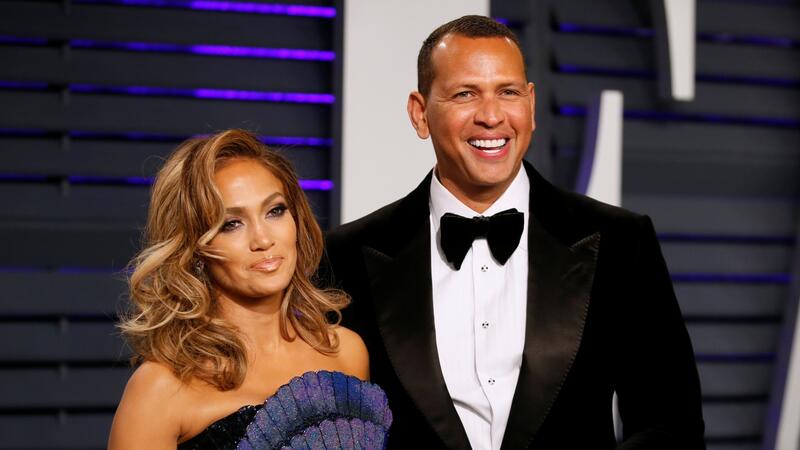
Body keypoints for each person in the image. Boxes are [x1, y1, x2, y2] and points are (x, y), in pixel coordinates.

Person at [323, 15, 705, 449]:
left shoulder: (622, 241)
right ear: (419, 112)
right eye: (465, 94)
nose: (491, 116)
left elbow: (672, 425)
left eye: (508, 92)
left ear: (531, 105)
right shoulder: (345, 256)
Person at [108, 129, 392, 450]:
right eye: (231, 224)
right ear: (195, 250)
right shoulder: (160, 388)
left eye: (275, 211)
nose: (263, 240)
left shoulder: (345, 351)